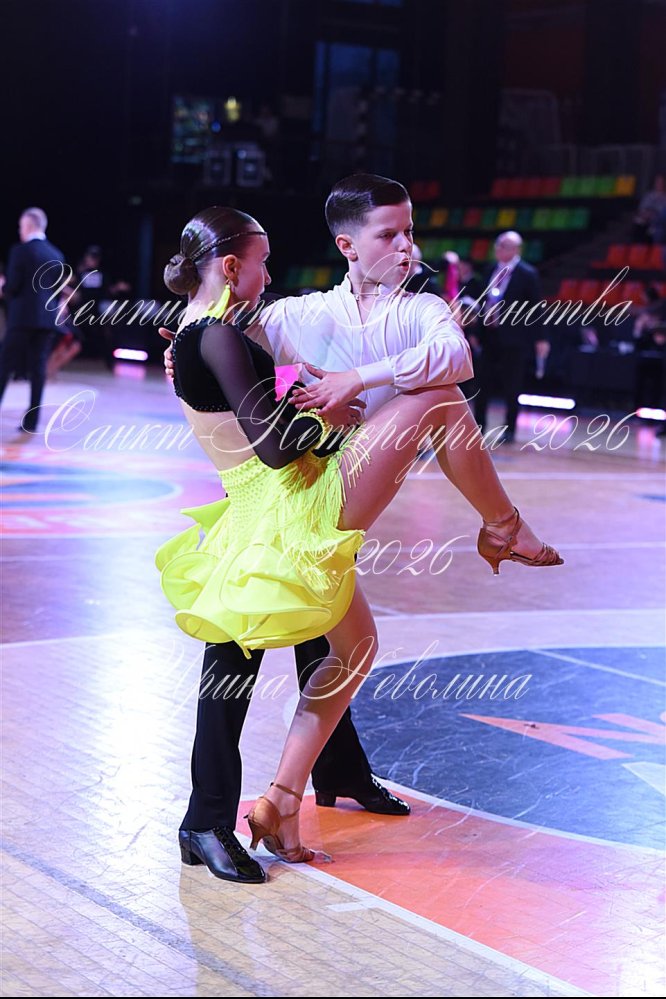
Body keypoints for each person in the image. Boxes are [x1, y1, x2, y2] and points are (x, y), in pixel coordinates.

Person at [159, 202, 563, 881]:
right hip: (284, 501)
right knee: (233, 665)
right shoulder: (221, 333)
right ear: (230, 266)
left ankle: (283, 800)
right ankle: (206, 821)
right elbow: (274, 444)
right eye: (261, 263)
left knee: (349, 646)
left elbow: (258, 395)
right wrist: (335, 416)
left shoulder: (222, 331)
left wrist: (312, 393)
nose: (269, 274)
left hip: (265, 507)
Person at [471, 231, 550, 445]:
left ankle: (510, 429)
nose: (499, 249)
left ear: (516, 249)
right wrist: (477, 332)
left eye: (504, 246)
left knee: (512, 384)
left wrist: (541, 338)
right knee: (482, 382)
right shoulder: (490, 270)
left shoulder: (527, 274)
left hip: (514, 338)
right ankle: (478, 425)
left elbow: (536, 308)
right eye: (498, 245)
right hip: (489, 335)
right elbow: (483, 302)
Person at [0, 208, 65, 433]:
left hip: (22, 319)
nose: (20, 231)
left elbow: (13, 287)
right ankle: (31, 422)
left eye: (21, 226)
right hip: (46, 320)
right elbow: (57, 292)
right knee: (38, 370)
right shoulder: (56, 255)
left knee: (4, 365)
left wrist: (3, 287)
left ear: (28, 226)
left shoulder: (20, 251)